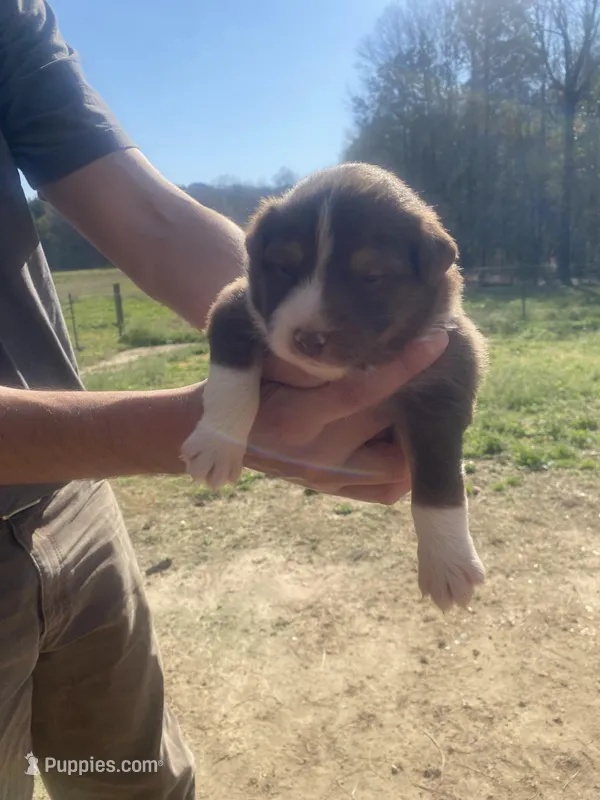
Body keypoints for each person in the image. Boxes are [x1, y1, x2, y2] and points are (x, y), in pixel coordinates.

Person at [0, 1, 449, 798]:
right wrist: (218, 423)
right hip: (77, 464)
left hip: (75, 508)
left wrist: (323, 362)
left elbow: (151, 217)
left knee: (133, 783)